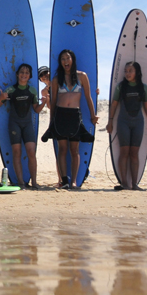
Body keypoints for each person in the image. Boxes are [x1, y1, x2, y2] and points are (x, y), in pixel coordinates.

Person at [46, 49, 97, 190]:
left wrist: (93, 115)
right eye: (62, 59)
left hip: (75, 116)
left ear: (72, 60)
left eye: (67, 58)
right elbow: (54, 100)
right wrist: (52, 122)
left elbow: (88, 97)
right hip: (60, 116)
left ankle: (74, 181)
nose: (65, 61)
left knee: (74, 150)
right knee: (62, 149)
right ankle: (64, 180)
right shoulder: (57, 79)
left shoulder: (82, 76)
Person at [0, 63, 47, 189]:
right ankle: (21, 183)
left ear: (30, 76)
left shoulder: (32, 90)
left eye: (27, 73)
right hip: (14, 124)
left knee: (31, 152)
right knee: (16, 153)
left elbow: (36, 110)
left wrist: (44, 102)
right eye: (22, 72)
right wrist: (1, 97)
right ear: (17, 74)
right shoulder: (11, 90)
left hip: (27, 124)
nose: (24, 74)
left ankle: (34, 182)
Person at [107, 61, 147, 191]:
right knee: (124, 152)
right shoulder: (121, 87)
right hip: (123, 122)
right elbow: (114, 104)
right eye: (126, 71)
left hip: (138, 122)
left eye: (130, 71)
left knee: (134, 153)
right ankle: (124, 183)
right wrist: (110, 121)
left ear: (137, 72)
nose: (127, 73)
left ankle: (134, 184)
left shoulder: (143, 87)